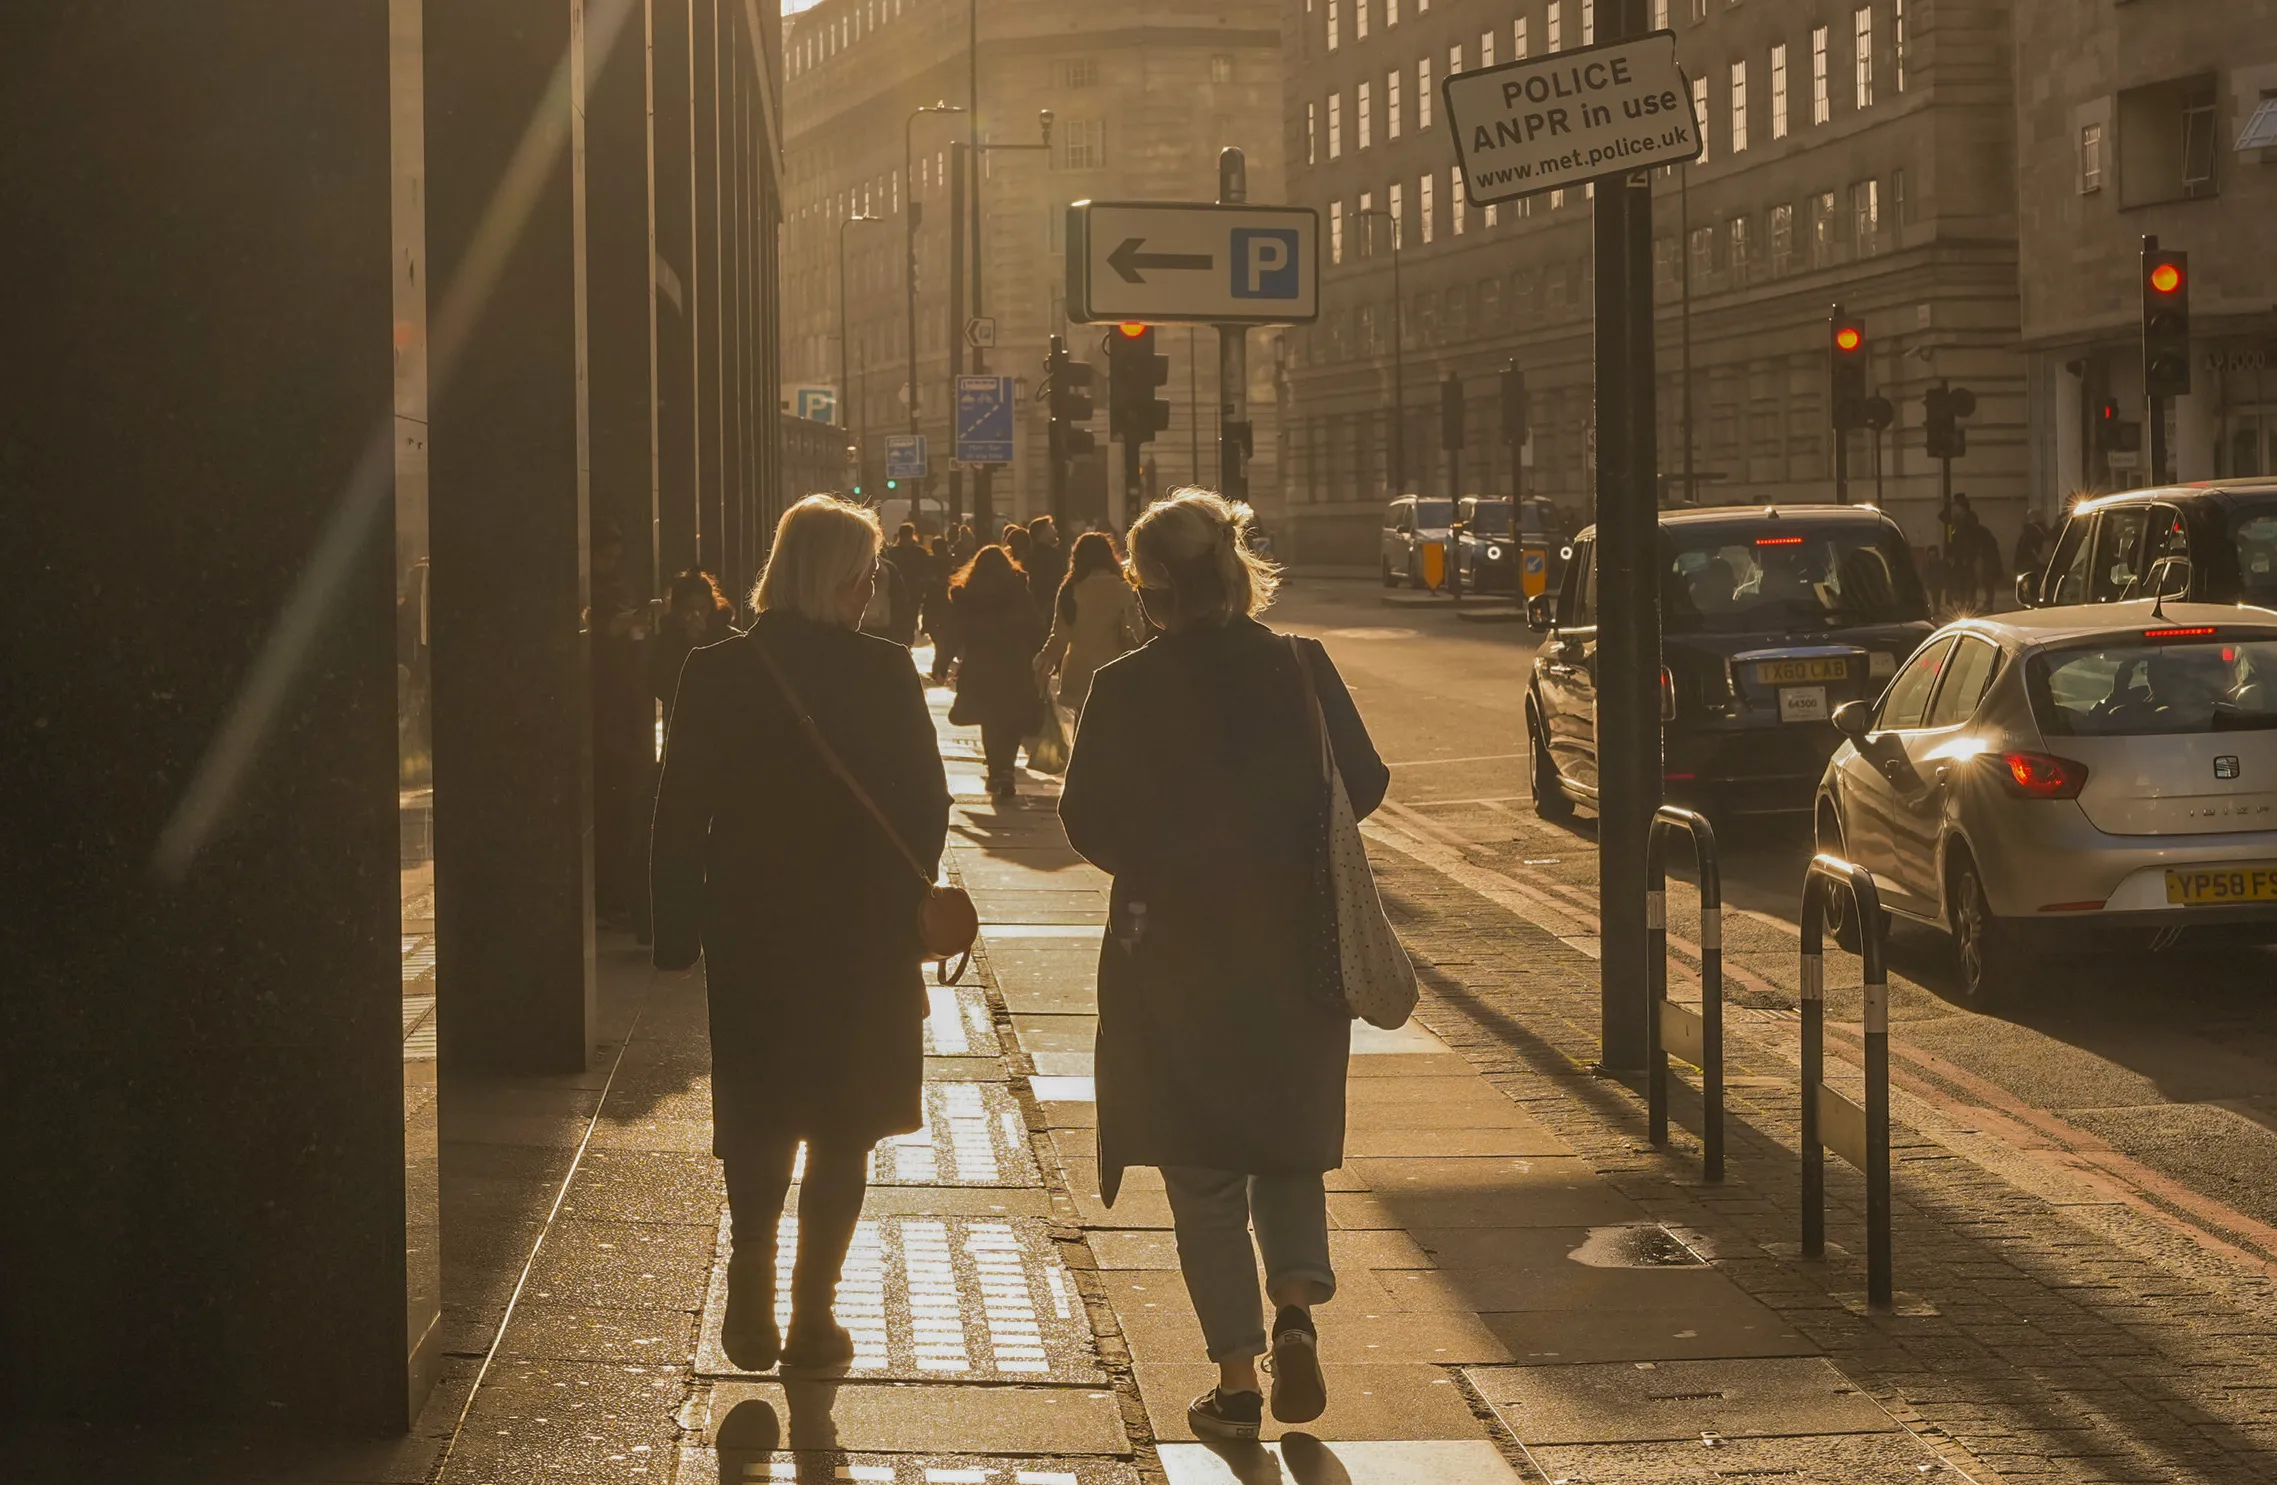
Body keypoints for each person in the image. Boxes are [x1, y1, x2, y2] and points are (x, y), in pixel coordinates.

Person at [1059, 489, 1388, 1442]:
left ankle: (1237, 1381)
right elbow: (1363, 783)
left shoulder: (1125, 683)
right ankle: (1294, 1309)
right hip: (1293, 944)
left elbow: (1086, 820)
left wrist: (1165, 854)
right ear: (1234, 570)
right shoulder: (1299, 666)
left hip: (1172, 954)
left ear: (1148, 585)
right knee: (1283, 1143)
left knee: (1201, 1170)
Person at [649, 494, 951, 1374]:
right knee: (843, 1124)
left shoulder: (716, 669)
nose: (871, 591)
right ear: (841, 576)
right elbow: (926, 804)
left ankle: (750, 1284)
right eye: (866, 573)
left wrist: (677, 932)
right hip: (863, 938)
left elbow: (678, 811)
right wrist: (905, 908)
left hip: (755, 930)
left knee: (758, 1108)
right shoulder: (886, 671)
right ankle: (814, 1317)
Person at [947, 544, 1044, 800]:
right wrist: (1040, 655)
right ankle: (1006, 771)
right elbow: (1036, 626)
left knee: (990, 719)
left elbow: (954, 630)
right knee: (1011, 720)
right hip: (1015, 663)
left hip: (980, 664)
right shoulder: (1019, 591)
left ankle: (996, 770)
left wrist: (942, 661)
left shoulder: (968, 594)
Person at [1037, 529, 1147, 725]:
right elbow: (1138, 631)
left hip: (1078, 670)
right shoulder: (1121, 588)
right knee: (1111, 724)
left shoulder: (1069, 589)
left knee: (1083, 724)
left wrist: (1043, 660)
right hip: (1111, 668)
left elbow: (1059, 635)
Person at [648, 569, 738, 726]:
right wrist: (687, 645)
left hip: (719, 723)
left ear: (711, 606)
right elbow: (661, 686)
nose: (696, 616)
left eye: (702, 608)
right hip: (682, 726)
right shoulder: (667, 639)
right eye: (688, 610)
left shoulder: (728, 637)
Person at [1025, 514, 1068, 609]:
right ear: (1043, 533)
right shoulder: (1052, 555)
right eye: (1051, 528)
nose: (1055, 531)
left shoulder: (1029, 556)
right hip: (1052, 604)